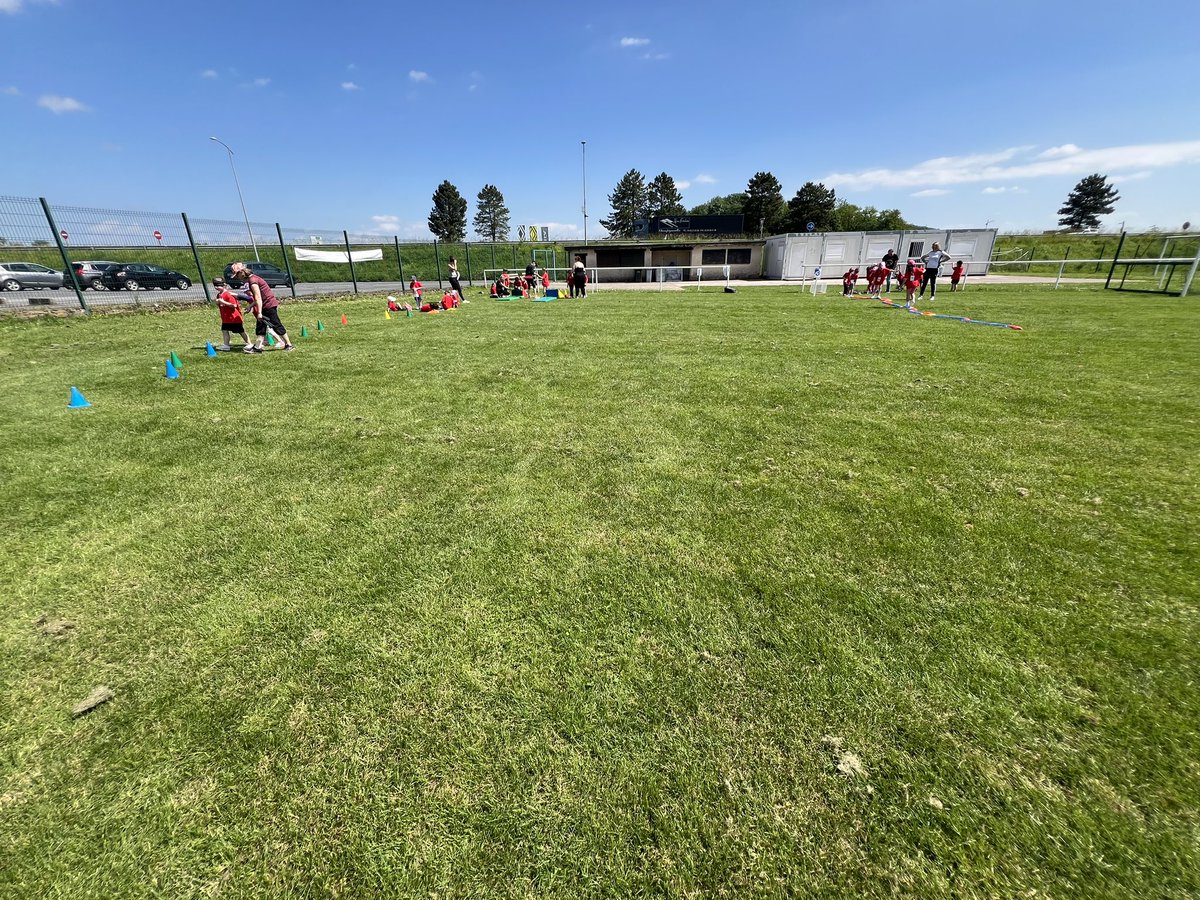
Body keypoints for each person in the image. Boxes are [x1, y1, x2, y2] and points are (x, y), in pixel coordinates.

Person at [230, 262, 293, 352]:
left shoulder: (253, 281)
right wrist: (250, 306)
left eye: (236, 275)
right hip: (264, 305)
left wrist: (259, 312)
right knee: (261, 327)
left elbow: (258, 298)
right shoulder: (252, 279)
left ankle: (289, 345)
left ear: (241, 272)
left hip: (269, 305)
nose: (237, 277)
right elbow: (257, 299)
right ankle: (257, 347)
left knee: (276, 324)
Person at [212, 277, 253, 351]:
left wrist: (223, 302)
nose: (216, 287)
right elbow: (221, 305)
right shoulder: (219, 295)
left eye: (218, 286)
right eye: (215, 286)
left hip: (234, 318)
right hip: (226, 318)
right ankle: (226, 345)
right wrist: (218, 302)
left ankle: (249, 343)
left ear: (224, 285)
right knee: (224, 330)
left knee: (241, 331)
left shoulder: (228, 294)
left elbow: (234, 305)